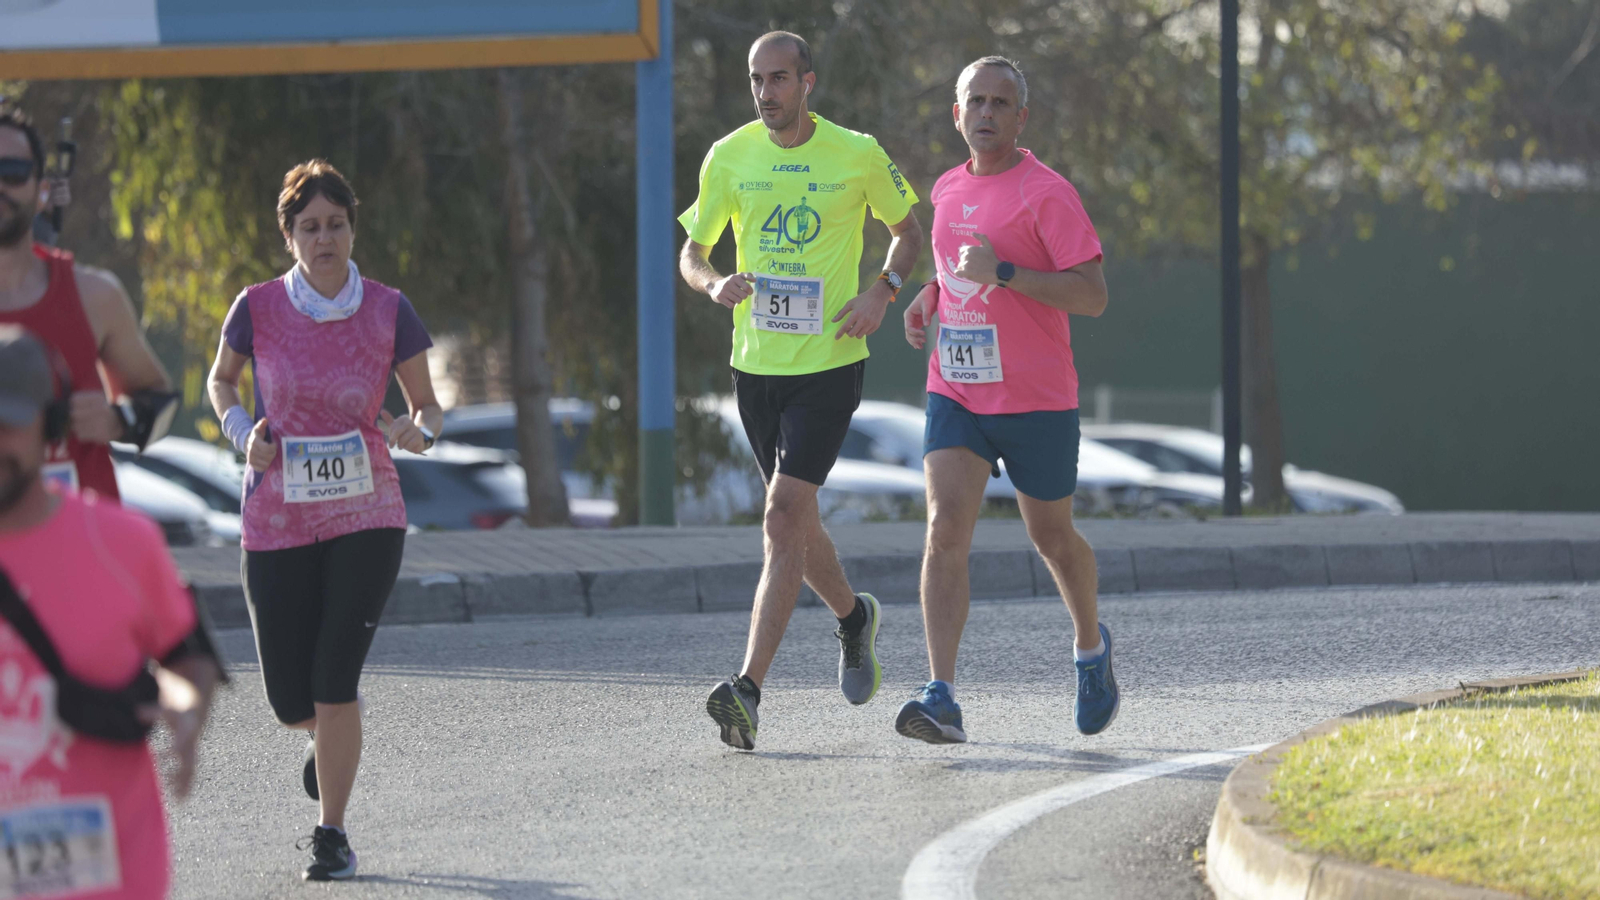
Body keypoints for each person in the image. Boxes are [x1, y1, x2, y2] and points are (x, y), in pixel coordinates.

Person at [678, 31, 924, 750]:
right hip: (754, 368)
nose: (766, 93)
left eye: (779, 78)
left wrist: (882, 292)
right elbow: (694, 248)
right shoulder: (729, 156)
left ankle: (747, 688)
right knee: (798, 522)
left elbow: (908, 232)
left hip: (828, 364)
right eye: (756, 79)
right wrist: (713, 281)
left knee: (782, 515)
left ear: (808, 82)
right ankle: (853, 618)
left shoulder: (857, 152)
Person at [207, 160, 440, 880]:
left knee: (334, 678)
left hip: (368, 512)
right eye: (310, 227)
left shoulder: (389, 308)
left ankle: (330, 832)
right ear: (289, 236)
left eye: (336, 224)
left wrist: (418, 432)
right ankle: (328, 735)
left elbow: (429, 408)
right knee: (288, 698)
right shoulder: (257, 307)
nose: (325, 237)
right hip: (276, 515)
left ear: (351, 227)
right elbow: (220, 381)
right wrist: (242, 429)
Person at [896, 57, 1117, 744]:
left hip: (1036, 397)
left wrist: (1009, 272)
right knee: (943, 527)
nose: (986, 113)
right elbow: (952, 270)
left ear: (1021, 118)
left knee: (1050, 536)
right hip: (957, 387)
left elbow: (1093, 294)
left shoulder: (1046, 194)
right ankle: (942, 695)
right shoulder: (944, 189)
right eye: (975, 102)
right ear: (957, 114)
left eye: (1001, 102)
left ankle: (1089, 647)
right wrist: (929, 297)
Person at [0, 324, 221, 900]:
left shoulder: (122, 543)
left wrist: (187, 711)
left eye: (8, 424)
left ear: (49, 427)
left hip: (118, 872)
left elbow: (183, 656)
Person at [0, 107, 178, 500]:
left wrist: (119, 419)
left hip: (79, 550)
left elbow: (162, 400)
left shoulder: (95, 296)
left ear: (42, 188)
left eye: (11, 171)